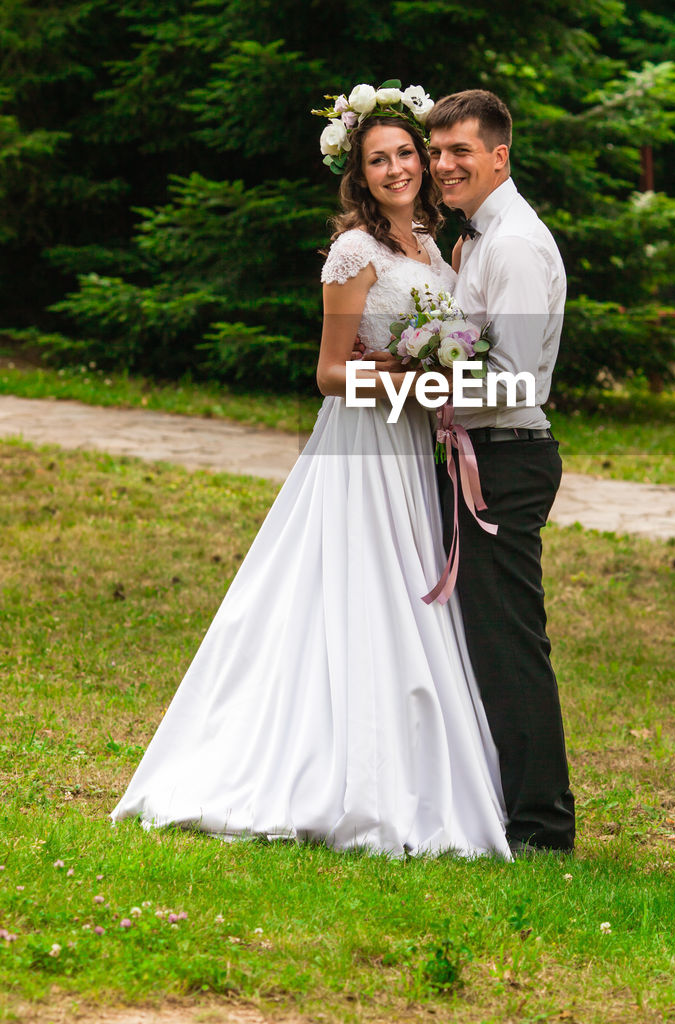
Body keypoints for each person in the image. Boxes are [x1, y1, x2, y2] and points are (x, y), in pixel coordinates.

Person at [111, 87, 511, 860]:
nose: (397, 168)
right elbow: (330, 373)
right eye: (378, 159)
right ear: (358, 174)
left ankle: (415, 764)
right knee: (357, 593)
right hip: (362, 445)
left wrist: (434, 369)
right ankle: (328, 773)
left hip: (407, 449)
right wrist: (412, 379)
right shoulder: (353, 252)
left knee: (408, 589)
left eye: (405, 154)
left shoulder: (429, 245)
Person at [425, 88, 576, 856]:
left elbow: (520, 381)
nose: (443, 165)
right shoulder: (476, 240)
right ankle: (502, 803)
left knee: (509, 641)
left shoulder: (512, 243)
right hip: (480, 454)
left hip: (505, 462)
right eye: (437, 150)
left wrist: (414, 391)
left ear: (497, 156)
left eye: (459, 151)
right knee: (487, 638)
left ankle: (543, 828)